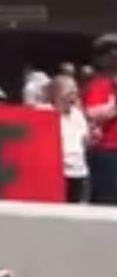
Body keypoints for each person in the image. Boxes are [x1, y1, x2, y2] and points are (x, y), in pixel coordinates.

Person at [83, 34, 117, 205]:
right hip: (106, 150)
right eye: (110, 52)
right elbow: (91, 113)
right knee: (107, 200)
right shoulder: (99, 85)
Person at [49, 75, 89, 203]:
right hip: (56, 172)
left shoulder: (77, 114)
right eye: (70, 92)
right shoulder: (45, 114)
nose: (74, 96)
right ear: (56, 93)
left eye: (75, 92)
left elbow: (84, 140)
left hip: (78, 172)